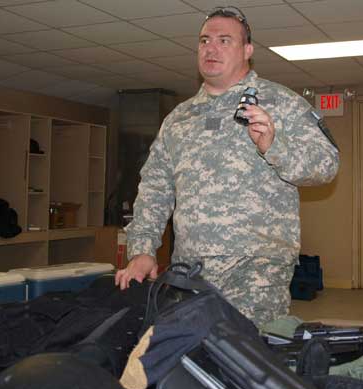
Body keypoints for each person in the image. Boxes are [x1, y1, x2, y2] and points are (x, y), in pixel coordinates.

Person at [116, 6, 339, 327]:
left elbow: (327, 165)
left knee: (246, 358)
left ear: (248, 50)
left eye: (224, 40)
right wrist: (142, 249)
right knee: (190, 359)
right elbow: (154, 188)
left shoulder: (281, 102)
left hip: (257, 266)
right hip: (190, 269)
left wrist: (275, 147)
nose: (211, 48)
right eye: (205, 40)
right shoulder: (179, 119)